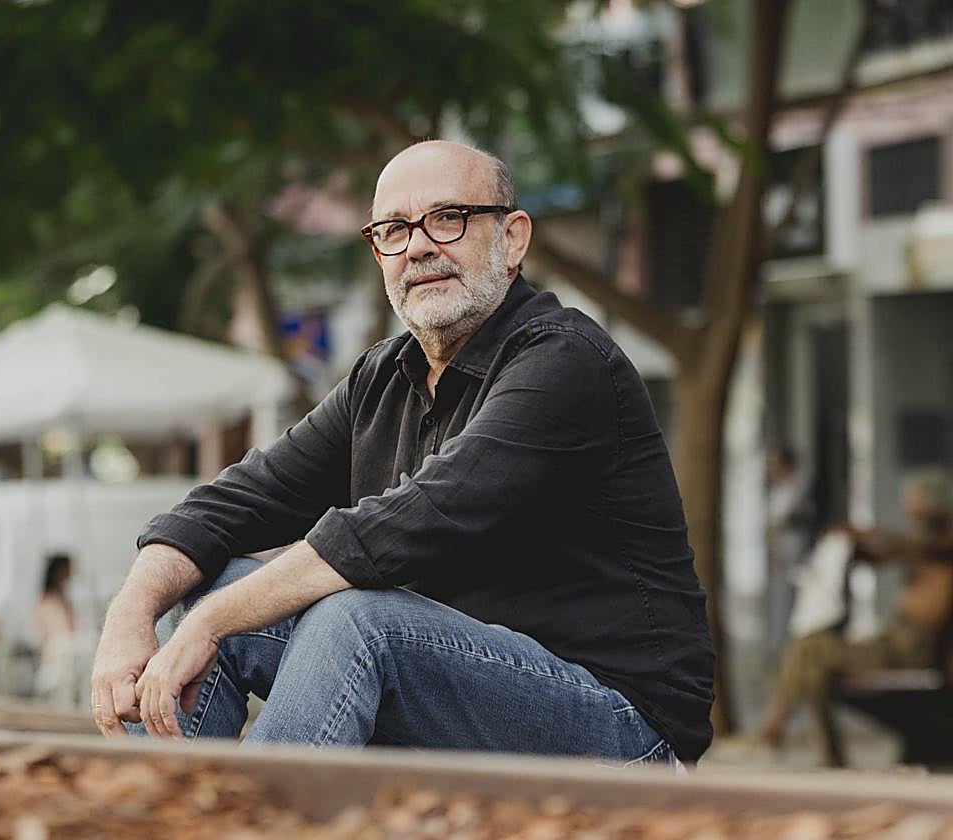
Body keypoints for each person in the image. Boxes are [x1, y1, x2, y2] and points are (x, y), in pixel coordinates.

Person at [91, 140, 715, 765]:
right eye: (393, 229)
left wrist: (210, 624)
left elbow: (403, 525)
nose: (418, 246)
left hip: (622, 726)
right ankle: (162, 816)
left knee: (355, 622)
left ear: (513, 238)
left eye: (449, 218)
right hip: (458, 694)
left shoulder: (565, 362)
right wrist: (132, 614)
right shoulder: (383, 379)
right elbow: (231, 505)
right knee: (207, 585)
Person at [756, 467, 953, 766]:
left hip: (910, 651)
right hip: (895, 643)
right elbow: (883, 555)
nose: (908, 511)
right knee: (813, 668)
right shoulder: (921, 547)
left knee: (810, 647)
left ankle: (772, 730)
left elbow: (913, 548)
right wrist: (844, 550)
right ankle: (828, 757)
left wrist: (862, 532)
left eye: (913, 505)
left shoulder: (940, 547)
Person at [764, 443, 813, 658]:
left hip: (795, 552)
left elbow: (789, 517)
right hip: (780, 552)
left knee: (792, 600)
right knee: (779, 601)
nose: (770, 469)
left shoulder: (799, 485)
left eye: (774, 463)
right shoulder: (778, 489)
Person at [33, 553, 79, 706]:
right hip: (54, 657)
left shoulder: (65, 599)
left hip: (68, 651)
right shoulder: (47, 601)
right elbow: (58, 633)